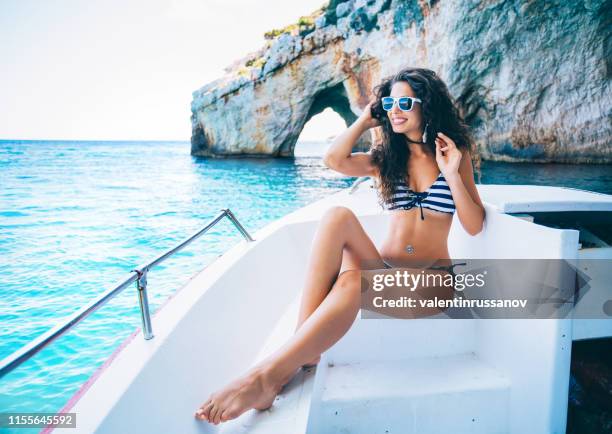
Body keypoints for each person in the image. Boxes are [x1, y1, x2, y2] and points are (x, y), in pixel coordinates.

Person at [194, 66, 486, 425]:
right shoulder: (388, 158)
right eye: (389, 102)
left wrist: (453, 172)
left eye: (404, 102)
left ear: (427, 106)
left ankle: (266, 377)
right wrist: (365, 120)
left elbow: (473, 225)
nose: (395, 109)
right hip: (386, 271)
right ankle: (303, 351)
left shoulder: (454, 155)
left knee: (350, 282)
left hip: (433, 283)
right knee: (336, 215)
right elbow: (333, 160)